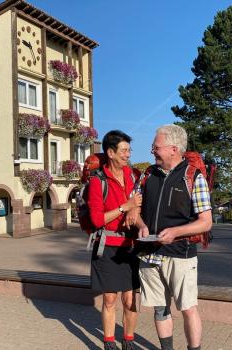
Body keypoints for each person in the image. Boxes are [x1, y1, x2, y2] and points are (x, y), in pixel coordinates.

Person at [134, 125, 212, 350]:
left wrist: (176, 232)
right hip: (149, 254)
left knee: (188, 309)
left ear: (173, 149)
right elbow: (133, 209)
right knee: (160, 309)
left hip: (181, 255)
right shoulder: (148, 175)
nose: (152, 151)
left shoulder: (192, 177)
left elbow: (205, 222)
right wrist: (140, 225)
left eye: (156, 147)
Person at [88, 130, 143, 350]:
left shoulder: (133, 176)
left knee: (130, 301)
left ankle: (128, 340)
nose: (128, 154)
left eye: (129, 150)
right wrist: (124, 207)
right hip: (107, 247)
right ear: (110, 153)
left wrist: (135, 209)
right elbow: (96, 220)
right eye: (124, 150)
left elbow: (140, 202)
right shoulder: (97, 181)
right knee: (110, 300)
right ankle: (109, 342)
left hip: (131, 247)